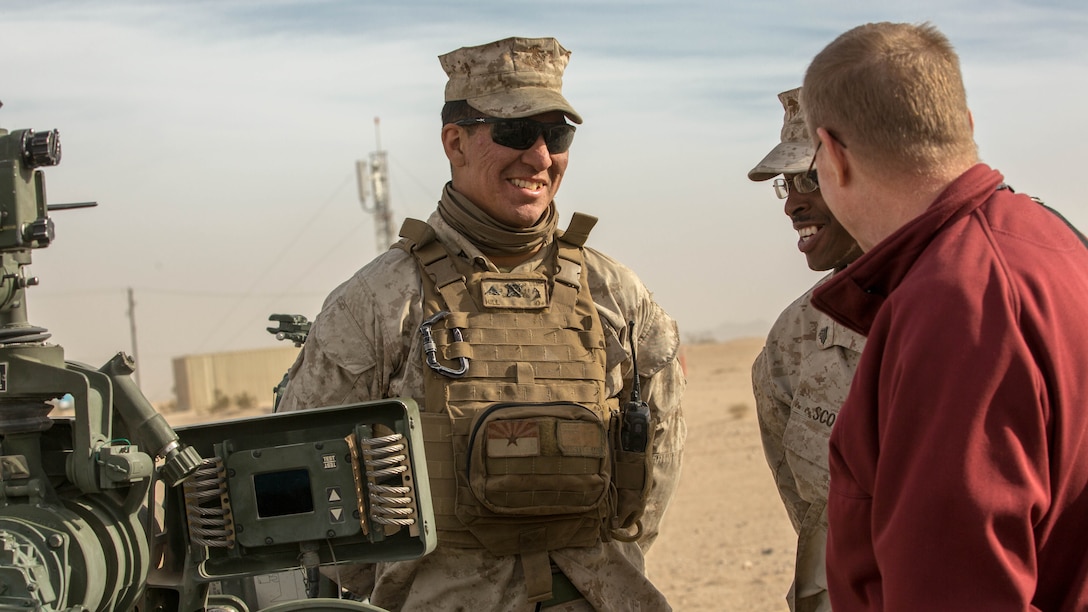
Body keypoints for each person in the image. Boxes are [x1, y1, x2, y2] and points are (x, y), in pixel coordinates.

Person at [278, 36, 686, 611]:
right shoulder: (378, 301)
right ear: (455, 141)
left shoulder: (615, 294)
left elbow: (657, 463)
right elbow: (301, 466)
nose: (541, 157)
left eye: (558, 135)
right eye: (516, 133)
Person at [801, 21, 1088, 610]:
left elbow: (959, 590)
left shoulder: (957, 303)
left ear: (831, 154)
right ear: (968, 126)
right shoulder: (1054, 243)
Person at [748, 87, 863, 612]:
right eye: (786, 184)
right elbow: (813, 518)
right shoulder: (794, 340)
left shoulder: (984, 301)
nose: (793, 204)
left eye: (811, 179)